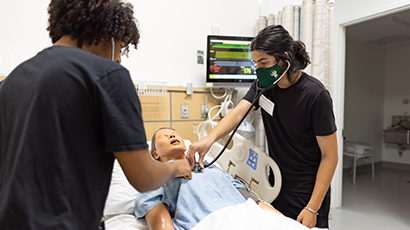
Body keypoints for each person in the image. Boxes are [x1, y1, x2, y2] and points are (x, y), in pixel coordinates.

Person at [0, 0, 191, 229]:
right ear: (107, 34)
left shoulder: (13, 80)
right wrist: (176, 167)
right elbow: (144, 177)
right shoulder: (109, 76)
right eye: (120, 48)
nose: (119, 58)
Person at [186, 25, 338, 229]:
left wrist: (312, 208)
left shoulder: (314, 95)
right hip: (276, 181)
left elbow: (330, 156)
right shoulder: (264, 86)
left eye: (263, 62)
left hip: (306, 190)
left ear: (285, 58)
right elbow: (239, 112)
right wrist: (208, 140)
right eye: (256, 62)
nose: (258, 69)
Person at [135, 127, 282, 230]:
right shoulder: (154, 180)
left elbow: (252, 201)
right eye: (164, 136)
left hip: (251, 218)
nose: (172, 136)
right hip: (211, 223)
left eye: (174, 133)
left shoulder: (210, 167)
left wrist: (284, 221)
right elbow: (162, 225)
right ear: (155, 155)